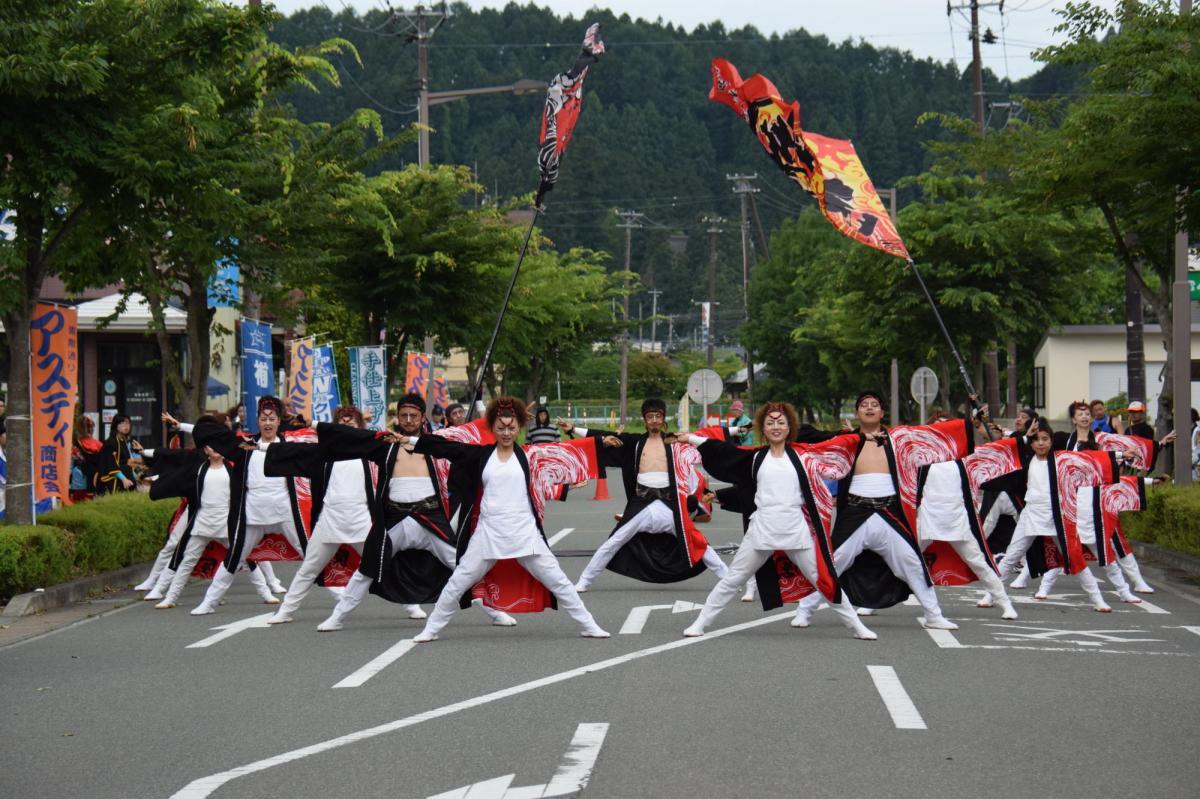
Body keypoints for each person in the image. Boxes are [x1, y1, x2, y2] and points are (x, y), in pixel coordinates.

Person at [399, 397, 610, 642]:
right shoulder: (480, 455)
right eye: (501, 428)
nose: (506, 433)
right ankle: (431, 629)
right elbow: (446, 447)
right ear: (492, 428)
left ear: (519, 427)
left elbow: (568, 450)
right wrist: (411, 440)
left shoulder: (531, 455)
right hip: (488, 534)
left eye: (511, 428)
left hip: (525, 534)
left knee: (560, 582)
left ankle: (589, 624)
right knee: (456, 583)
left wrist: (602, 443)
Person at [306, 394, 516, 631]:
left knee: (463, 566)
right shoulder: (384, 444)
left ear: (422, 417)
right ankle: (337, 617)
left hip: (430, 516)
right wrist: (313, 424)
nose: (408, 420)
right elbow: (351, 437)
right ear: (397, 417)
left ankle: (495, 611)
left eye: (413, 415)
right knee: (368, 567)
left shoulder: (435, 442)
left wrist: (492, 411)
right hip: (395, 518)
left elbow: (473, 435)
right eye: (403, 415)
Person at [681, 402, 876, 640]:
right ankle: (700, 623)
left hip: (795, 528)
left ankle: (857, 626)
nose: (776, 427)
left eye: (781, 423)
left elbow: (836, 445)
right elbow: (723, 452)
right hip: (762, 527)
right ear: (763, 427)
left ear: (790, 427)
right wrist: (691, 438)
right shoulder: (754, 457)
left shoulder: (804, 455)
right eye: (770, 423)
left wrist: (862, 437)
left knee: (824, 580)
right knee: (733, 579)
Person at [790, 391, 970, 631]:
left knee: (913, 563)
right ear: (857, 412)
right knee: (833, 563)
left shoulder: (898, 439)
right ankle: (805, 610)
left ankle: (934, 615)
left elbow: (935, 436)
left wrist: (972, 422)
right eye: (864, 405)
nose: (869, 408)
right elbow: (803, 435)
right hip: (855, 511)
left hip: (890, 512)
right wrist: (839, 434)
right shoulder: (847, 439)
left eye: (875, 404)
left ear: (882, 412)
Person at [561, 398, 730, 593]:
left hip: (669, 502)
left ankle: (728, 580)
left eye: (658, 416)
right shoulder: (634, 442)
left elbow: (709, 437)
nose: (655, 420)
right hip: (641, 502)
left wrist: (738, 430)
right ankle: (584, 581)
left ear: (664, 418)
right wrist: (573, 429)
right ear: (645, 419)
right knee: (614, 541)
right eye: (650, 417)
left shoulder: (676, 441)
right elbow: (601, 436)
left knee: (697, 541)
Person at [187, 396, 313, 616]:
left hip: (284, 511)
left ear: (278, 420)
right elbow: (211, 433)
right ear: (257, 420)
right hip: (253, 514)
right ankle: (209, 602)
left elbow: (321, 444)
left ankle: (340, 596)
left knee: (312, 554)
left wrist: (309, 422)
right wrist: (181, 426)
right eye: (263, 419)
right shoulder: (244, 443)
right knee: (234, 557)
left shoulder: (289, 443)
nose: (267, 423)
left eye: (272, 418)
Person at [981, 418, 1120, 612]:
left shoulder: (1062, 459)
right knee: (1012, 556)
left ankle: (1097, 599)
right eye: (1036, 439)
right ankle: (990, 595)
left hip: (1057, 515)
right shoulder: (1026, 459)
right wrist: (1025, 435)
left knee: (1074, 557)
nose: (1040, 443)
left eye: (1045, 439)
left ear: (1052, 440)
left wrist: (1121, 455)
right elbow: (1008, 446)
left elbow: (1093, 460)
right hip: (1030, 513)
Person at [263, 405, 378, 625]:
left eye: (351, 424)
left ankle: (411, 605)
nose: (346, 429)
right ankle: (286, 610)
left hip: (360, 519)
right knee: (308, 568)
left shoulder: (371, 451)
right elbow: (291, 453)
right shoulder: (323, 454)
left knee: (380, 563)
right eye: (342, 425)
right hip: (329, 519)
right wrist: (258, 448)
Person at [95, 414, 140, 494]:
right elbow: (111, 464)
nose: (126, 426)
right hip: (110, 479)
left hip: (124, 476)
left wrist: (137, 477)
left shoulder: (123, 441)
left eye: (128, 423)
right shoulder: (110, 443)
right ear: (116, 425)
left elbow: (126, 464)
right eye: (122, 423)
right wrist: (124, 479)